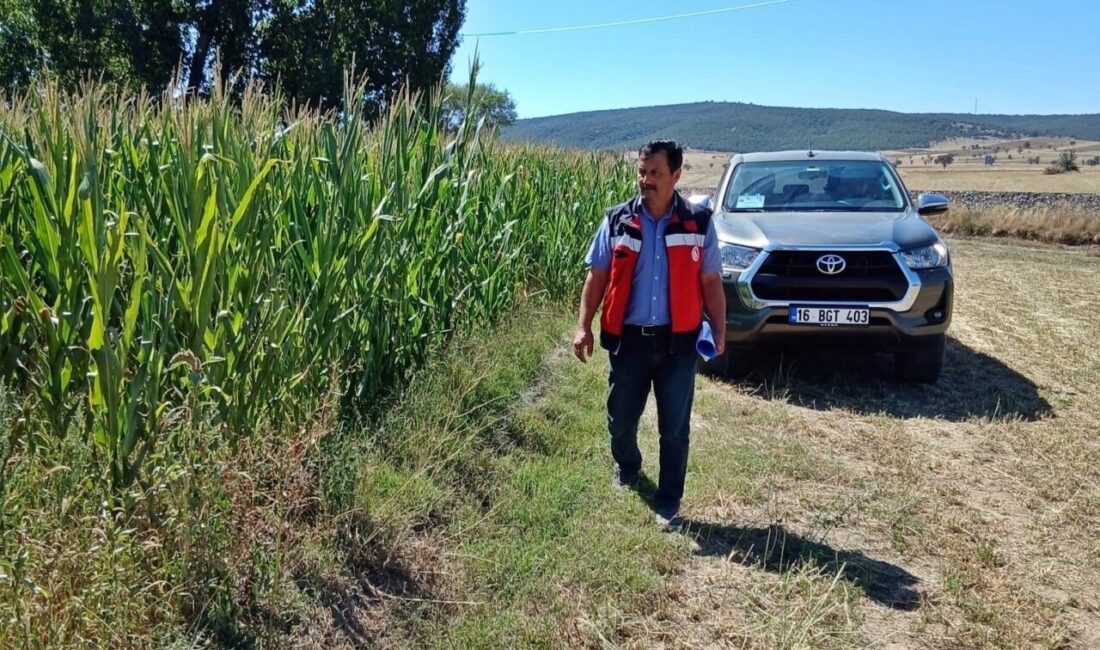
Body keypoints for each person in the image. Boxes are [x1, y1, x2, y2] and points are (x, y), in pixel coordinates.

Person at [573, 140, 726, 530]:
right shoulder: (617, 221)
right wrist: (582, 326)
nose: (646, 180)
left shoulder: (698, 224)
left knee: (674, 426)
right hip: (630, 341)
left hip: (678, 343)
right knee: (620, 419)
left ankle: (669, 498)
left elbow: (710, 282)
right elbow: (597, 276)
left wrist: (720, 331)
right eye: (642, 172)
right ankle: (627, 465)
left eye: (656, 173)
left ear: (677, 175)